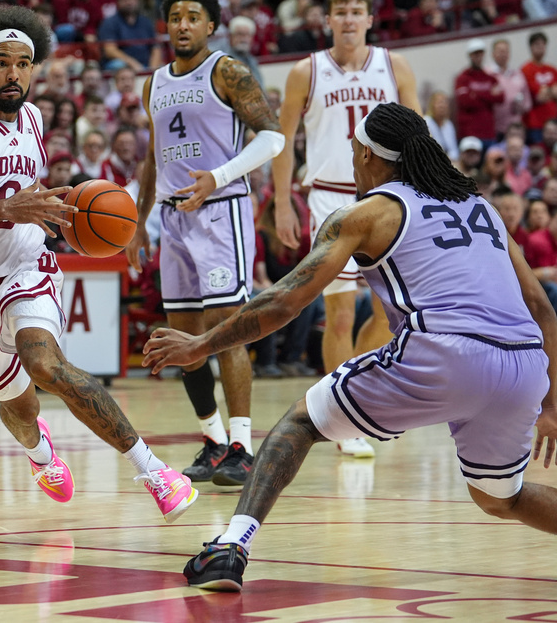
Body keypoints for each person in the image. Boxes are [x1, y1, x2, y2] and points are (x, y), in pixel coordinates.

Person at [143, 102, 557, 592]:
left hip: (445, 354)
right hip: (525, 365)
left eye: (354, 152)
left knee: (298, 423)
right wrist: (550, 402)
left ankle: (230, 547)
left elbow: (282, 303)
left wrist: (201, 344)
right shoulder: (481, 207)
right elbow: (541, 307)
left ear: (369, 156)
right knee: (498, 497)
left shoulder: (367, 214)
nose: (353, 163)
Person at [0, 4, 198, 523]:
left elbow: (19, 192)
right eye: (1, 62)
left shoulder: (35, 119)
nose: (13, 72)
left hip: (24, 266)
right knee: (21, 407)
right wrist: (6, 207)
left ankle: (155, 472)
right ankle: (40, 454)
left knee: (46, 365)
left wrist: (52, 208)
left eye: (23, 62)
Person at [126, 0, 284, 487]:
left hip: (220, 211)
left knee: (226, 326)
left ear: (211, 25)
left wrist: (219, 176)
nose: (183, 24)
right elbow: (153, 159)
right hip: (172, 219)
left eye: (193, 16)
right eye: (175, 16)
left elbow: (274, 137)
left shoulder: (228, 71)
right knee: (182, 337)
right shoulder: (153, 82)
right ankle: (213, 441)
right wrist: (137, 222)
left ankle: (242, 446)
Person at [271, 0, 421, 459]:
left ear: (370, 18)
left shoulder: (393, 66)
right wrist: (280, 202)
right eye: (343, 12)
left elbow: (418, 136)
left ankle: (352, 396)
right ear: (329, 20)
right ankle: (342, 422)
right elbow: (284, 142)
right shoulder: (305, 71)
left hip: (387, 200)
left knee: (386, 313)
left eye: (358, 11)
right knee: (337, 313)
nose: (350, 19)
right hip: (329, 200)